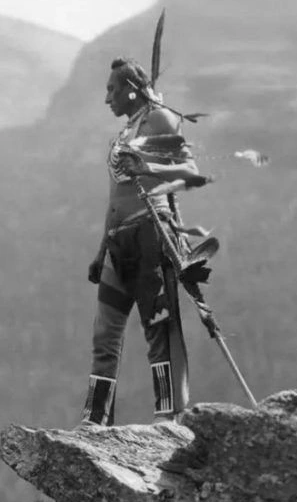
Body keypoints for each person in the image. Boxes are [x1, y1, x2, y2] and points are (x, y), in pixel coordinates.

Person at [81, 56, 207, 426]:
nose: (107, 99)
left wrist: (147, 167)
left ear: (131, 90)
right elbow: (115, 195)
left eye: (111, 89)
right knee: (105, 335)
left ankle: (168, 419)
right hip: (118, 244)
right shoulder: (123, 134)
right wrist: (101, 250)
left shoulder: (160, 119)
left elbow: (191, 173)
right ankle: (95, 421)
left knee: (158, 332)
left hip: (151, 237)